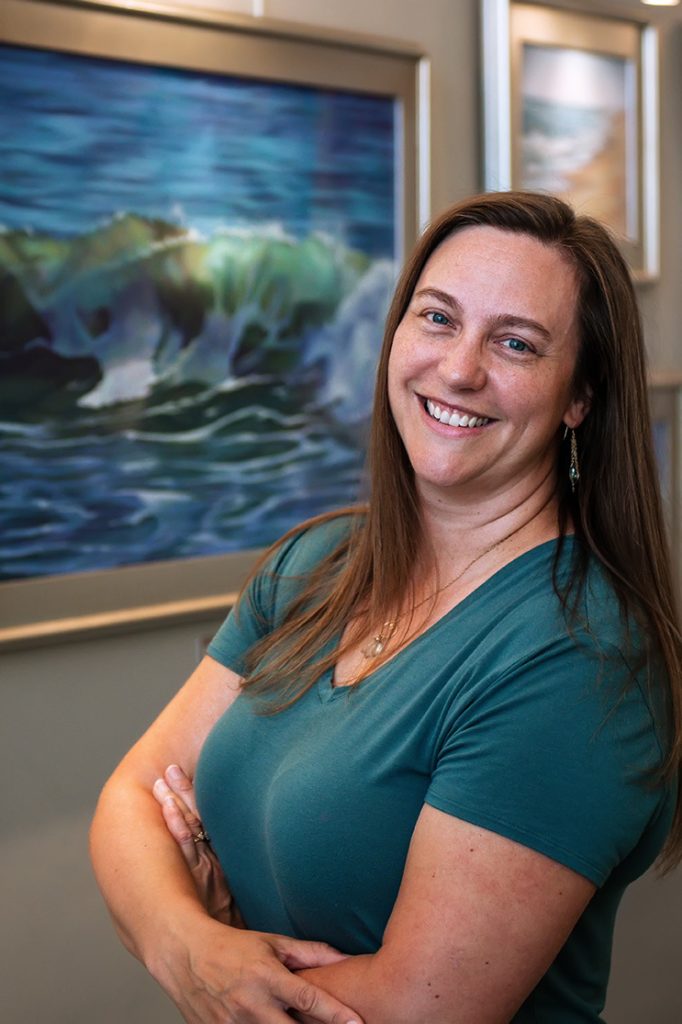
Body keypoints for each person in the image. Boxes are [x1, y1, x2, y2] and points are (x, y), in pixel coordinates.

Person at [90, 191, 682, 1024]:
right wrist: (196, 947)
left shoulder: (580, 658)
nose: (460, 368)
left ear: (579, 396)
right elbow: (129, 802)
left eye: (515, 342)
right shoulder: (315, 564)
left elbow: (415, 1009)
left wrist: (204, 953)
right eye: (437, 319)